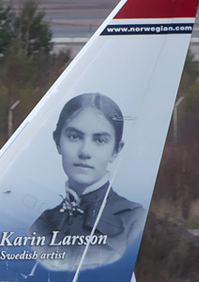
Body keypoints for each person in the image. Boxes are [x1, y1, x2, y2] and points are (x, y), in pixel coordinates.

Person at [29, 92, 143, 272]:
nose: (85, 152)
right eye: (74, 136)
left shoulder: (133, 220)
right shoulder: (43, 223)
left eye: (100, 140)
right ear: (58, 142)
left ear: (116, 151)